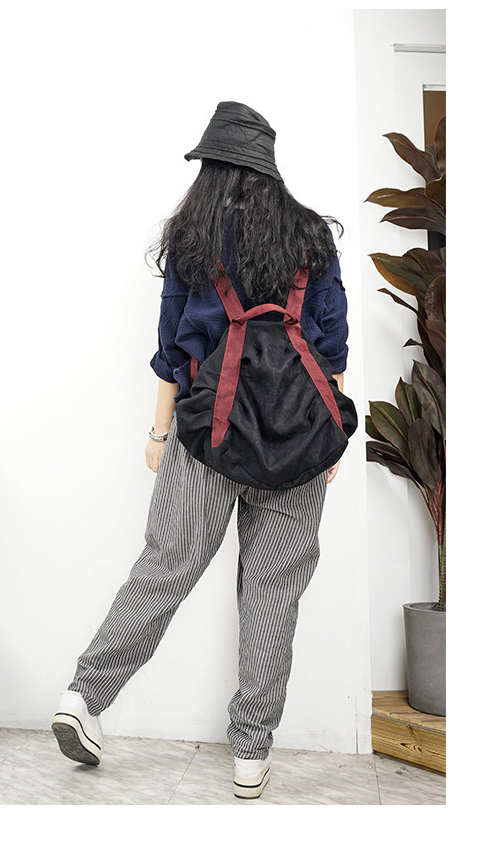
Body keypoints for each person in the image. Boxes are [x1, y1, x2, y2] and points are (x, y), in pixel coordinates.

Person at [52, 101, 350, 800]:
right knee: (274, 590)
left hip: (207, 434)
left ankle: (85, 698)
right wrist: (330, 433)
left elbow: (170, 349)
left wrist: (159, 434)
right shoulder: (312, 236)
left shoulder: (193, 238)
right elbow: (332, 345)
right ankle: (250, 753)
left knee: (166, 564)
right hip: (299, 436)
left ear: (212, 169)